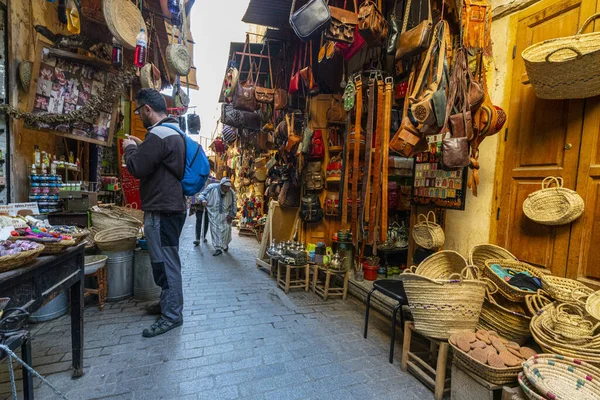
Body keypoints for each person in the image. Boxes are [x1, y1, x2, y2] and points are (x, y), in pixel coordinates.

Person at [123, 88, 186, 338]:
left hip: (162, 209)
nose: (138, 116)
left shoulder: (158, 134)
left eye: (139, 111)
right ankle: (167, 304)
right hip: (170, 207)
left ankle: (172, 315)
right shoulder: (172, 132)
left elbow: (137, 166)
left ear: (148, 109)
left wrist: (129, 147)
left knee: (166, 263)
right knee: (166, 261)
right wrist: (141, 145)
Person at [199, 177, 237, 256]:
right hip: (214, 213)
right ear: (221, 185)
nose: (227, 189)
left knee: (226, 230)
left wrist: (232, 214)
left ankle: (225, 245)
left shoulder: (231, 192)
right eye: (225, 187)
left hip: (226, 214)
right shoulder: (211, 187)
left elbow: (234, 204)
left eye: (228, 187)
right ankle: (218, 248)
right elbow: (201, 195)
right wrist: (203, 200)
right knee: (215, 230)